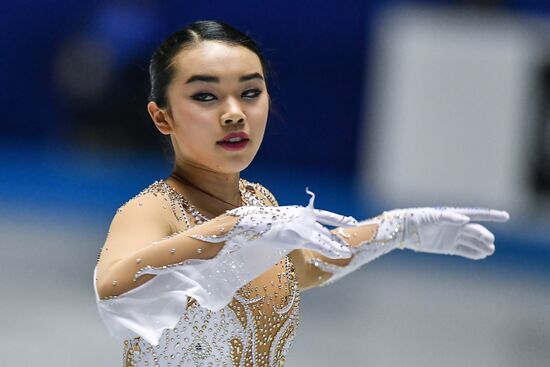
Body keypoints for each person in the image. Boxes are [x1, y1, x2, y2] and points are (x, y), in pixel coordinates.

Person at [93, 20, 509, 367]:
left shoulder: (260, 202)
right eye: (205, 96)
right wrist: (229, 229)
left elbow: (304, 267)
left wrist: (395, 229)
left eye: (250, 92)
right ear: (161, 116)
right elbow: (112, 286)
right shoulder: (151, 210)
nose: (235, 112)